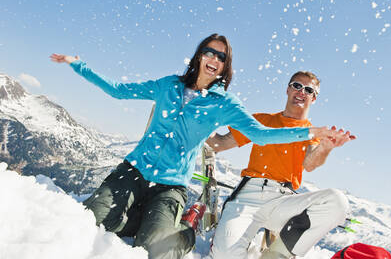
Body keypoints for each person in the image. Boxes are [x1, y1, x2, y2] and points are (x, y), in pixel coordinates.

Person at [49, 34, 337, 259]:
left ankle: (187, 228)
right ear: (199, 55)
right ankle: (135, 218)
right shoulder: (168, 86)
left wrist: (309, 133)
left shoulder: (223, 104)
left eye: (221, 56)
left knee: (155, 250)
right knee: (91, 221)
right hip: (132, 171)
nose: (214, 58)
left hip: (170, 185)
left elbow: (261, 135)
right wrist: (78, 64)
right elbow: (118, 91)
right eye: (209, 51)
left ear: (225, 66)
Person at [208, 71, 356, 259]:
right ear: (287, 89)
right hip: (248, 197)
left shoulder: (311, 133)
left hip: (283, 201)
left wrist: (326, 147)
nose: (302, 91)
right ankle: (248, 250)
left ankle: (275, 254)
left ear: (314, 98)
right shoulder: (262, 121)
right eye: (297, 85)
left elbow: (310, 164)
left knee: (337, 202)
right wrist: (197, 122)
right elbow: (220, 144)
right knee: (224, 255)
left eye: (308, 89)